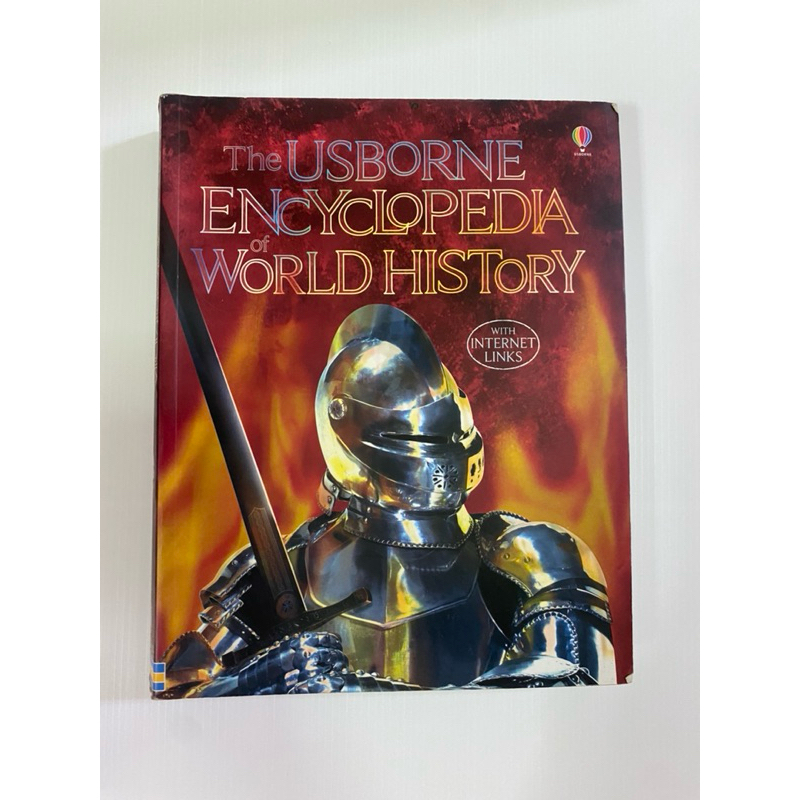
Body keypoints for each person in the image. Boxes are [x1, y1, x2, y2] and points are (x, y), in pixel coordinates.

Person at [161, 304, 615, 696]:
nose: (441, 460)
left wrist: (355, 693)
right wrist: (258, 679)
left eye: (445, 436)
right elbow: (175, 687)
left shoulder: (531, 558)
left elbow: (573, 687)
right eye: (411, 439)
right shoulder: (283, 568)